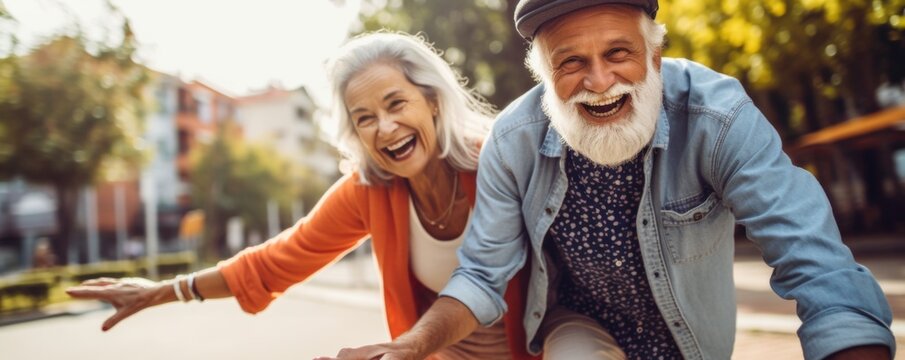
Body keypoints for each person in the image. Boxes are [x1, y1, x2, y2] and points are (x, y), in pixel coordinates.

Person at [324, 1, 897, 360]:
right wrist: (409, 348)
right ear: (543, 74)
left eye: (618, 53)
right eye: (570, 62)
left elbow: (815, 264)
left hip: (693, 340)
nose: (598, 81)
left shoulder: (718, 118)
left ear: (654, 53)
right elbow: (481, 274)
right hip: (578, 328)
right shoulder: (514, 140)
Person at [66, 32, 538, 360]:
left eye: (396, 103)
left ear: (432, 100)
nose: (385, 128)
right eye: (364, 117)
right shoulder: (370, 190)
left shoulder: (498, 161)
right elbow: (275, 261)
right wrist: (159, 292)